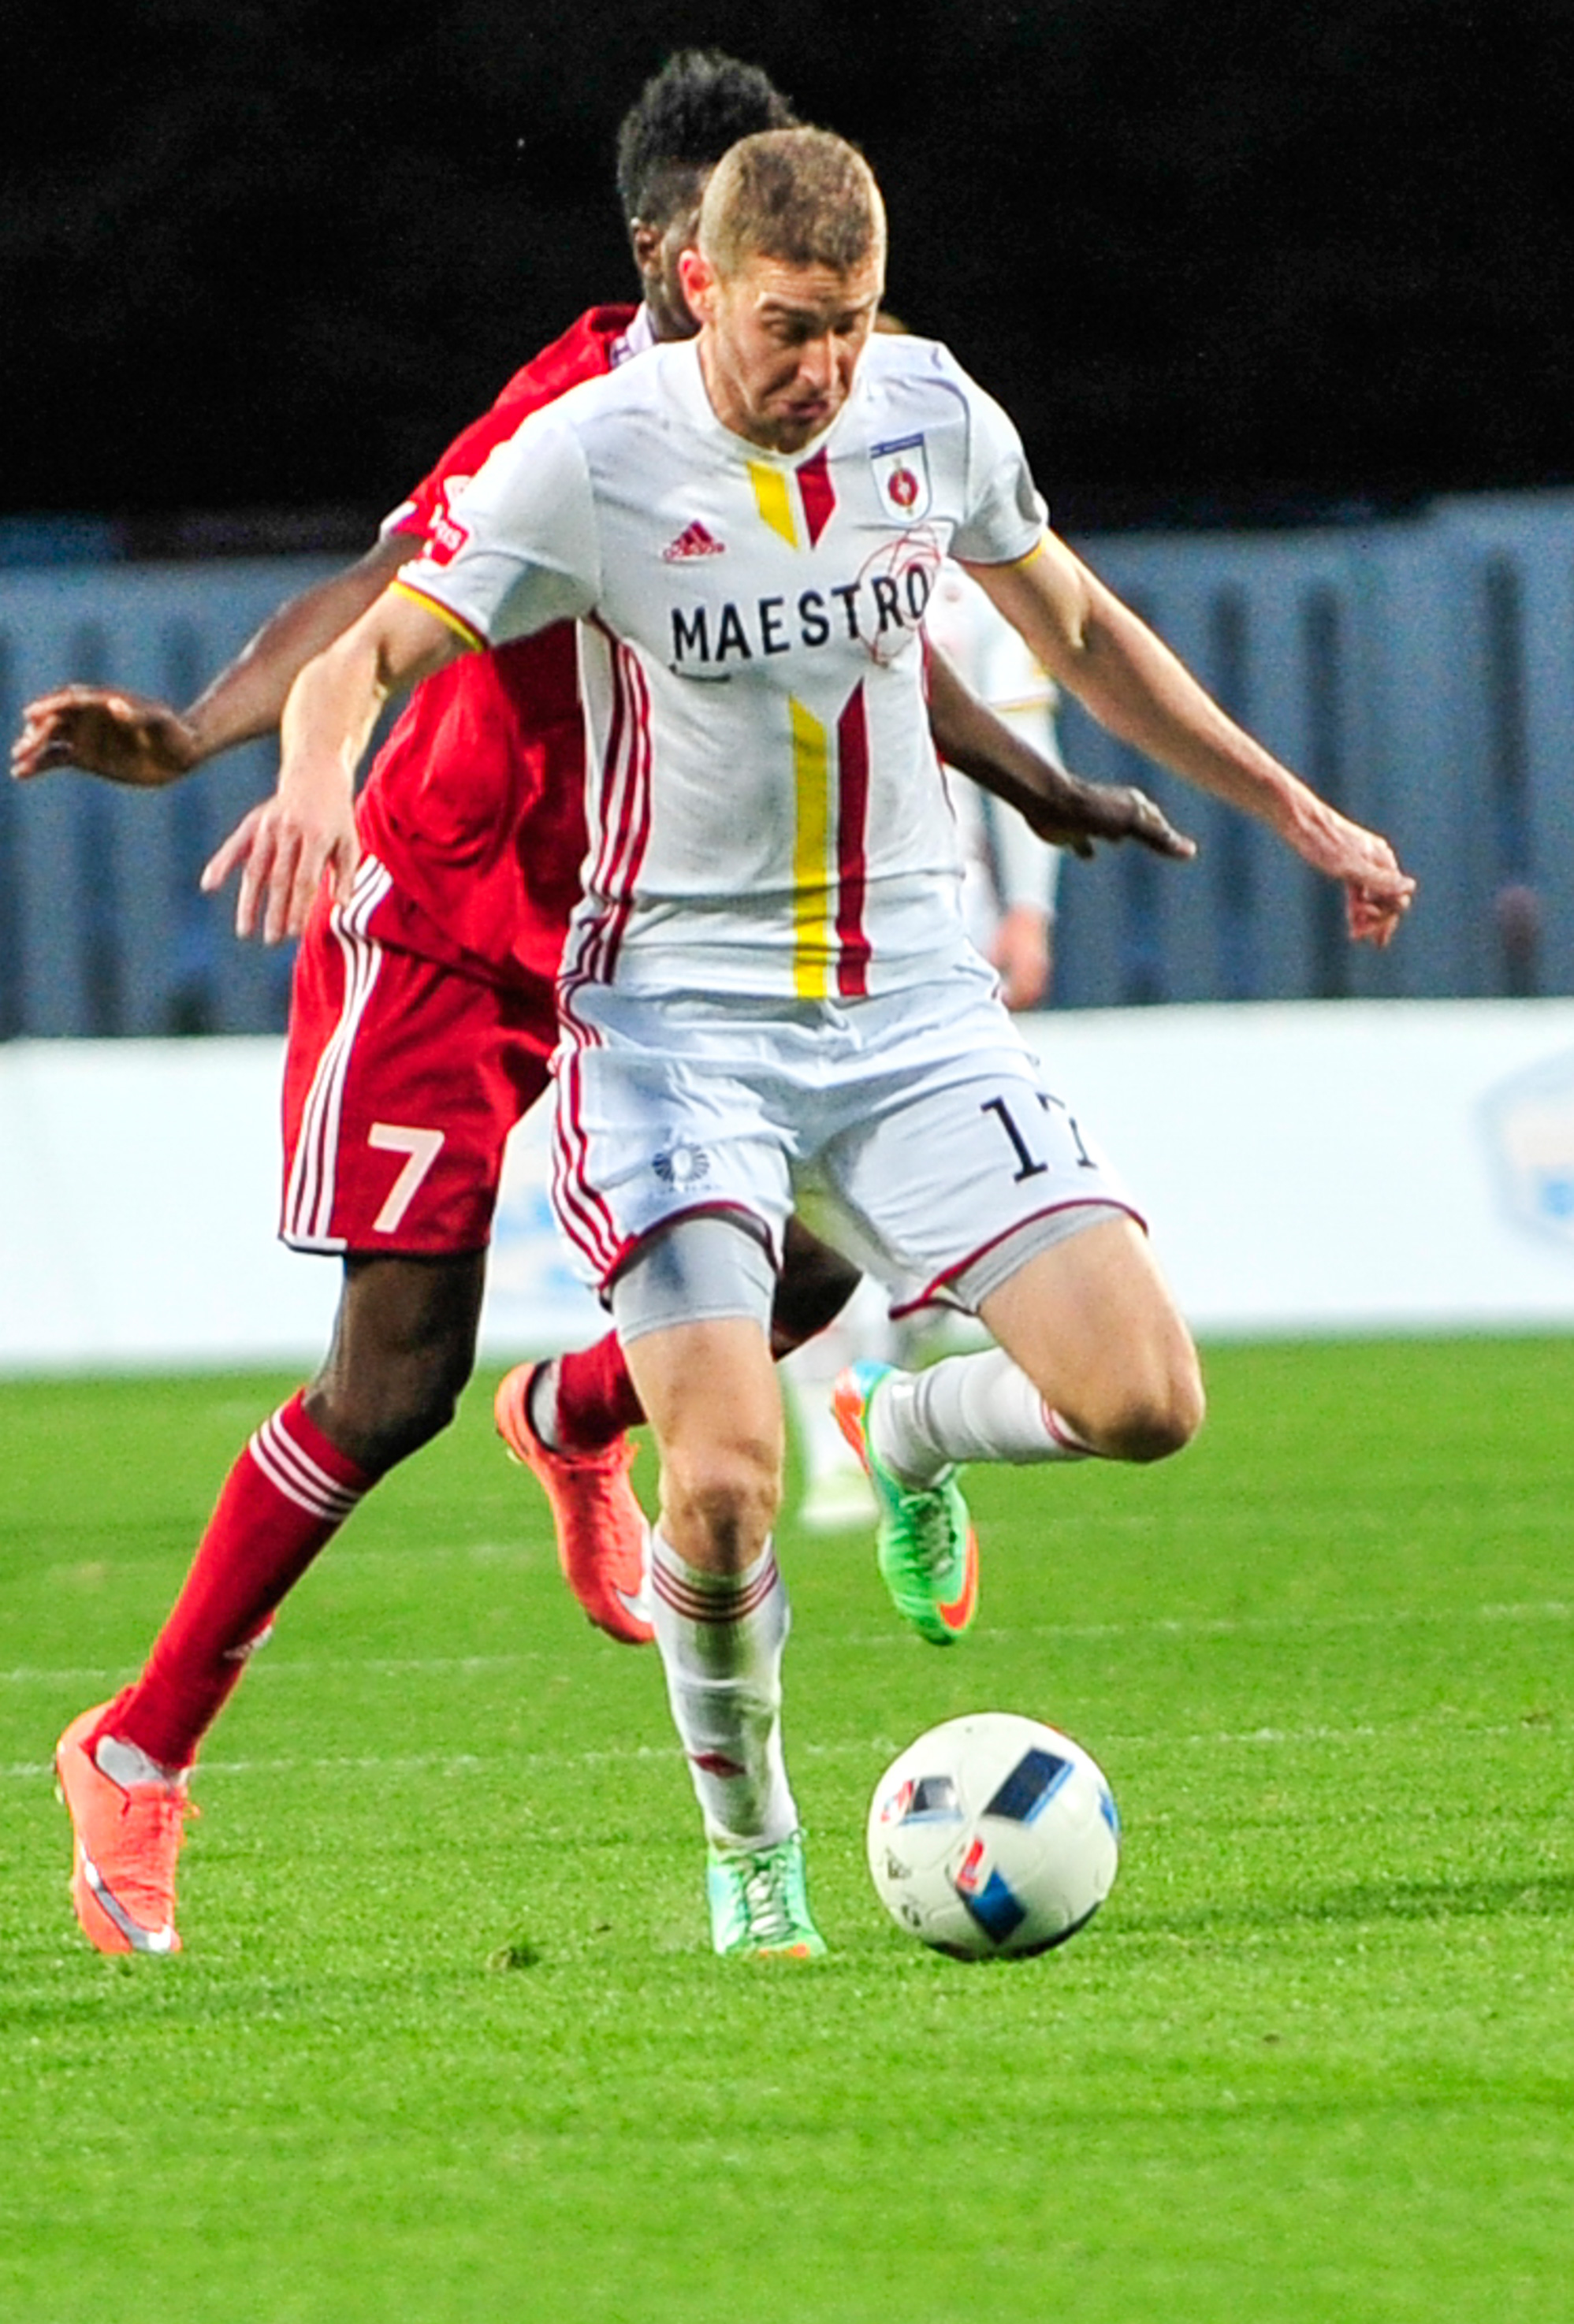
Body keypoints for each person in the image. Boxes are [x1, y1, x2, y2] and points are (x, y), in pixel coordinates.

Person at [21, 59, 1189, 1960]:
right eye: (737, 259)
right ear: (669, 251)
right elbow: (372, 598)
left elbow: (862, 638)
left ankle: (576, 1419)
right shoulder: (573, 421)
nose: (799, 324)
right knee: (388, 1383)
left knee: (806, 1281)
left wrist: (1032, 784)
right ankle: (137, 1748)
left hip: (655, 954)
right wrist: (193, 741)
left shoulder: (823, 417)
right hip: (447, 922)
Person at [244, 126, 1412, 1959]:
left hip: (912, 1012)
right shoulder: (589, 457)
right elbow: (359, 658)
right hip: (671, 1027)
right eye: (790, 327)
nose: (824, 370)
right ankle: (755, 1844)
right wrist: (317, 776)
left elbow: (1078, 625)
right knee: (720, 1483)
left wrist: (1294, 808)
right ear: (700, 284)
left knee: (1144, 1404)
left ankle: (910, 1421)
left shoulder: (929, 413)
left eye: (852, 325)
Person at [787, 558, 1063, 1531]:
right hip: (784, 933)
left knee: (938, 1238)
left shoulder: (971, 583)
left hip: (942, 924)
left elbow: (1021, 744)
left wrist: (1029, 910)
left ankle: (885, 1393)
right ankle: (831, 1450)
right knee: (804, 1203)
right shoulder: (740, 548)